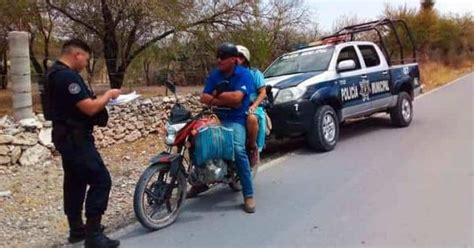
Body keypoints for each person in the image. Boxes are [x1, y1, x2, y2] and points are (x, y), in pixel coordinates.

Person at [48, 39, 121, 248]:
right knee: (101, 180)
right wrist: (108, 95)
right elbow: (89, 108)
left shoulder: (52, 73)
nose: (86, 63)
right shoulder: (66, 77)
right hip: (76, 138)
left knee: (75, 181)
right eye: (86, 59)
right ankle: (94, 235)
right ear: (77, 55)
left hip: (64, 135)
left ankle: (77, 230)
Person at [188, 42, 256, 213]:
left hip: (236, 118)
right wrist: (221, 98)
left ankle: (248, 195)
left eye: (223, 57)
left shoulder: (244, 74)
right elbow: (203, 97)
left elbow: (237, 99)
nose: (219, 60)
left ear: (234, 59)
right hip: (216, 117)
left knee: (238, 150)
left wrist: (216, 95)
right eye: (217, 56)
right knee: (195, 140)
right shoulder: (215, 74)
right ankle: (200, 182)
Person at [235, 45, 267, 167]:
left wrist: (254, 106)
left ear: (243, 59)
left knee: (251, 118)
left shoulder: (255, 73)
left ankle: (252, 147)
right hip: (234, 108)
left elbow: (263, 92)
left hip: (252, 107)